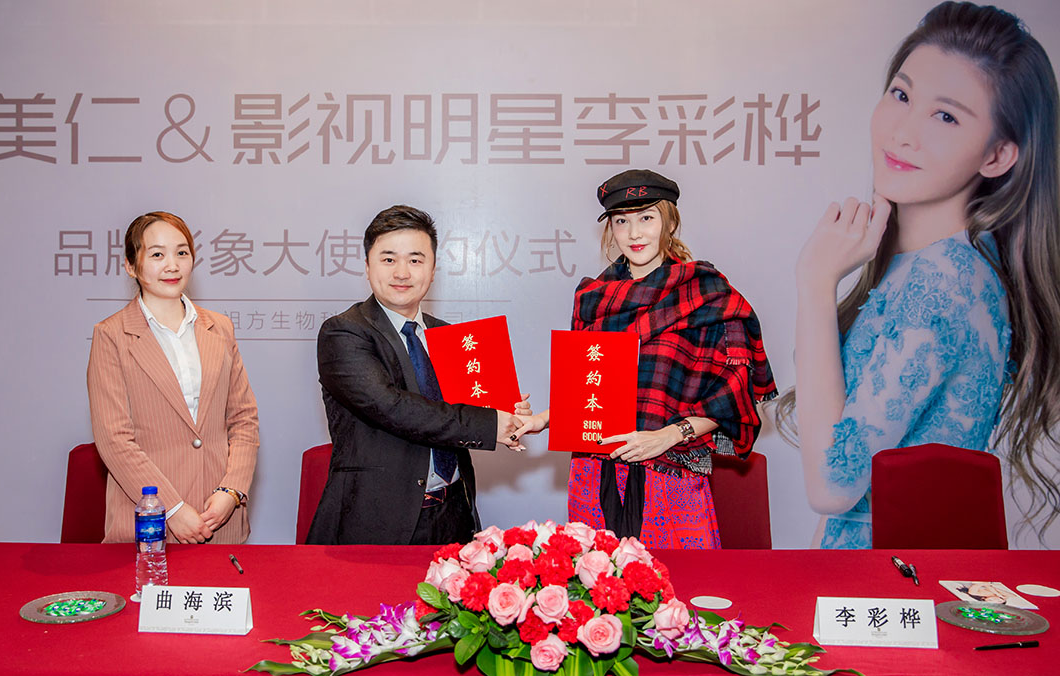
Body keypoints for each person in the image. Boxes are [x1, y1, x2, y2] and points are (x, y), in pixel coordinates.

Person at [778, 1, 1060, 548]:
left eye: (946, 116)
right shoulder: (950, 265)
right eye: (902, 95)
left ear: (998, 155)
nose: (904, 132)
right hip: (882, 578)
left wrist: (814, 281)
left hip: (885, 582)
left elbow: (833, 486)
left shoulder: (943, 281)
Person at [512, 170, 776, 549]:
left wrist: (667, 436)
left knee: (680, 583)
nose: (634, 233)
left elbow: (731, 397)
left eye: (646, 218)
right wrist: (540, 420)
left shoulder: (707, 293)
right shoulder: (593, 298)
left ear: (669, 222)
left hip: (671, 474)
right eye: (622, 221)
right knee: (597, 581)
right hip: (595, 472)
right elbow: (590, 388)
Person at [307, 205, 527, 546]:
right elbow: (393, 407)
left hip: (453, 514)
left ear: (433, 270)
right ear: (367, 267)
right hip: (376, 523)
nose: (402, 272)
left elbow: (470, 409)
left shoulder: (449, 336)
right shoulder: (344, 332)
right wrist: (491, 424)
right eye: (388, 259)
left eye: (415, 259)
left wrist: (509, 414)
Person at [87, 211, 260, 544]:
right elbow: (114, 439)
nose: (172, 265)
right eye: (157, 255)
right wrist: (172, 508)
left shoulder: (219, 327)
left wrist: (231, 490)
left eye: (182, 252)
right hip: (148, 522)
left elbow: (244, 419)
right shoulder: (111, 335)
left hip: (218, 518)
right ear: (130, 265)